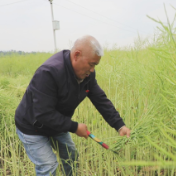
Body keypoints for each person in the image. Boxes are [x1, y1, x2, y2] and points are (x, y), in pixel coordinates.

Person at [15, 35, 131, 176]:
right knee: (48, 166)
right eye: (91, 64)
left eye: (95, 65)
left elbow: (100, 99)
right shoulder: (48, 73)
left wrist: (119, 125)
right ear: (77, 55)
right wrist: (74, 127)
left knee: (71, 157)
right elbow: (44, 113)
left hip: (57, 123)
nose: (93, 70)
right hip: (32, 127)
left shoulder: (87, 75)